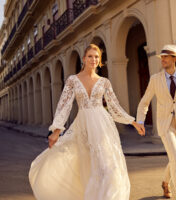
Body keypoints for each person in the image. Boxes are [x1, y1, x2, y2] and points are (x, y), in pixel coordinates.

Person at [29, 44, 144, 200]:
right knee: (88, 167)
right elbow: (64, 106)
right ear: (83, 59)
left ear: (100, 60)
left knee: (108, 166)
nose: (93, 59)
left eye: (96, 57)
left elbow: (114, 106)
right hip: (83, 126)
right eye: (90, 56)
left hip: (103, 126)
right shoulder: (72, 80)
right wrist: (56, 131)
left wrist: (133, 122)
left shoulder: (104, 82)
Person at [136, 44, 176, 200]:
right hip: (165, 124)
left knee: (174, 158)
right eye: (162, 57)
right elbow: (144, 102)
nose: (162, 59)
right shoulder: (155, 79)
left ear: (174, 58)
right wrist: (140, 121)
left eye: (166, 56)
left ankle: (165, 183)